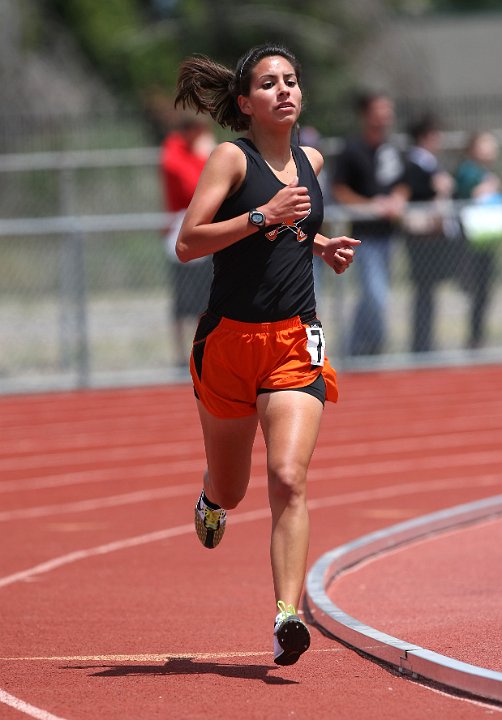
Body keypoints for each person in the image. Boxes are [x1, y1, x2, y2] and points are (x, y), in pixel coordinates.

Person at [174, 43, 360, 666]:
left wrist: (320, 243)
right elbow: (189, 243)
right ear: (247, 103)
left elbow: (290, 235)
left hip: (292, 341)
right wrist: (261, 214)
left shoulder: (311, 158)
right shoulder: (232, 158)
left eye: (291, 81)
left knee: (289, 477)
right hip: (228, 343)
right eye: (269, 83)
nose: (284, 91)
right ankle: (210, 500)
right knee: (234, 488)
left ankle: (286, 615)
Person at [332, 91, 408, 356]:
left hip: (389, 235)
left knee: (370, 297)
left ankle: (354, 350)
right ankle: (373, 348)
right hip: (363, 236)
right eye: (380, 110)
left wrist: (397, 200)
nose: (385, 116)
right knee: (376, 295)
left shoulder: (393, 148)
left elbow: (403, 183)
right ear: (366, 114)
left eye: (388, 110)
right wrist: (368, 206)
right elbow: (339, 189)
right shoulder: (351, 148)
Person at [160, 114, 216, 366]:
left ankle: (201, 349)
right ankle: (180, 355)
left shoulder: (194, 151)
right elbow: (193, 188)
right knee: (183, 300)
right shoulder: (173, 151)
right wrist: (205, 158)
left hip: (204, 233)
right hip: (181, 234)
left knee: (206, 299)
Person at [403, 114, 456, 353]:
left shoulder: (429, 163)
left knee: (429, 290)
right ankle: (421, 343)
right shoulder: (415, 163)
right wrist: (435, 187)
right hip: (421, 235)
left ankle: (425, 341)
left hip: (433, 234)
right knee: (423, 290)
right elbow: (413, 192)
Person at [455, 131, 501, 349]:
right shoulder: (469, 171)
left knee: (484, 291)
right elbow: (466, 193)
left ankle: (478, 335)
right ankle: (474, 338)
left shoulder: (484, 171)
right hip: (470, 240)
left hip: (484, 241)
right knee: (475, 291)